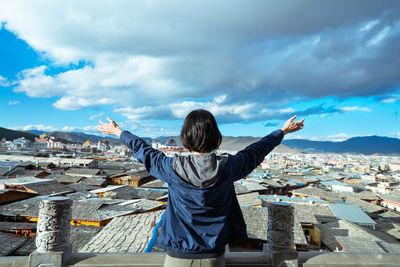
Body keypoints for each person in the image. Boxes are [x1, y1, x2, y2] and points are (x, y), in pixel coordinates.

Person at [98, 109, 304, 267]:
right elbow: (255, 151)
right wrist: (282, 131)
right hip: (214, 256)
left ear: (186, 137)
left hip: (177, 256)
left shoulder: (171, 167)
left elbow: (144, 151)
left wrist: (119, 132)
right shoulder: (228, 166)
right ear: (216, 136)